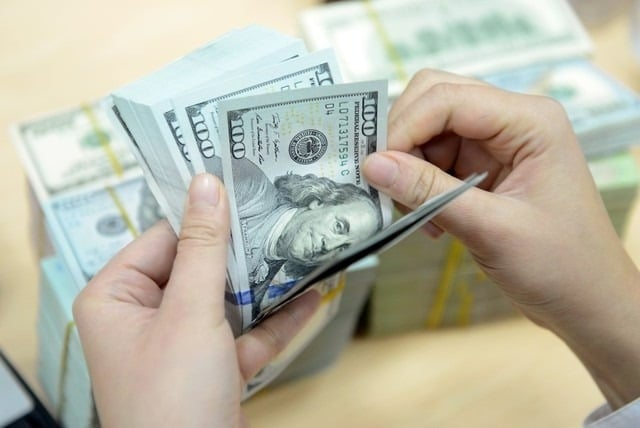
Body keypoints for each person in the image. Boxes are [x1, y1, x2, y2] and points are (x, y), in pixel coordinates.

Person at [73, 69, 640, 427]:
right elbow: (219, 169)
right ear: (316, 202)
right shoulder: (247, 195)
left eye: (348, 242)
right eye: (339, 224)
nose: (333, 242)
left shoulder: (288, 277)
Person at [228, 156, 382, 314]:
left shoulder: (259, 296)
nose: (329, 246)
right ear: (318, 202)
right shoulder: (250, 186)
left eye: (343, 248)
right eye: (338, 227)